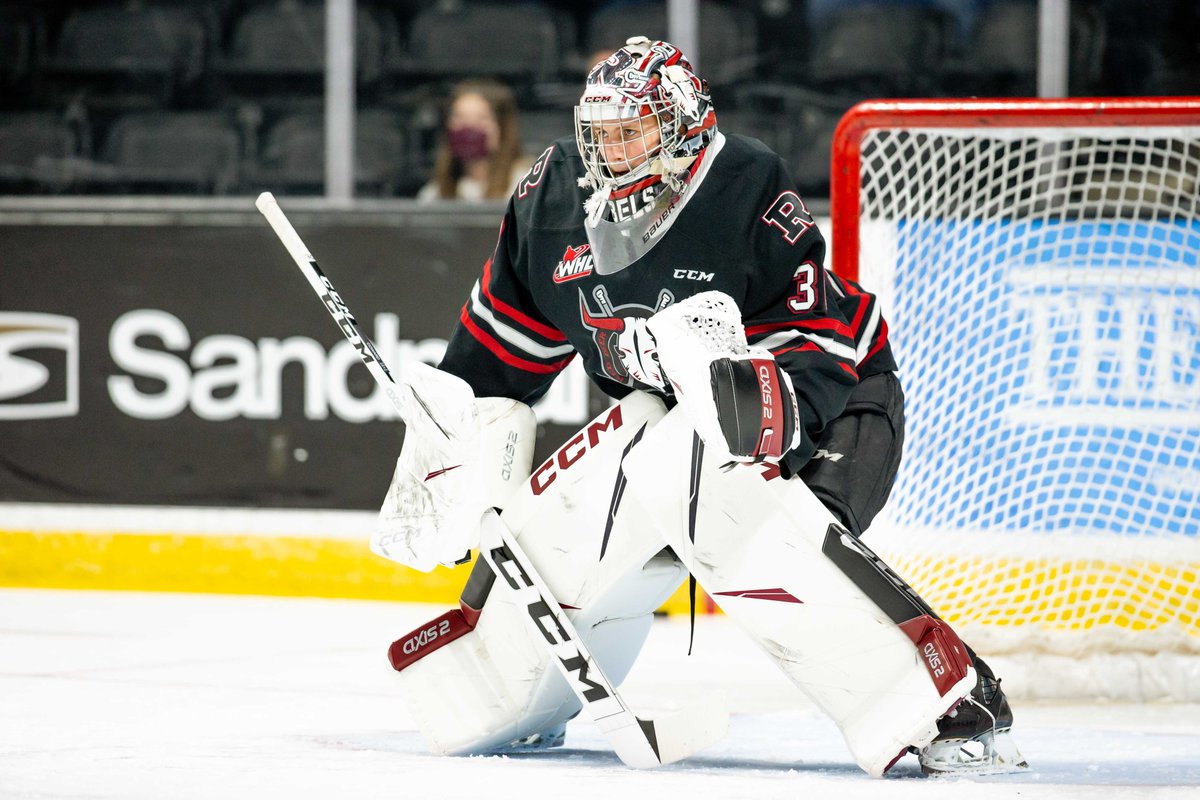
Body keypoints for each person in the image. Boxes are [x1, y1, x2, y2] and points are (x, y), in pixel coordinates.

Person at [379, 37, 1026, 776]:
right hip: (677, 425)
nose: (611, 152)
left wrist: (761, 418)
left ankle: (946, 703)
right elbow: (494, 360)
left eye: (633, 131)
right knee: (607, 487)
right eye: (601, 133)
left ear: (684, 127)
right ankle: (503, 692)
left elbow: (818, 343)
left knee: (736, 514)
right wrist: (453, 456)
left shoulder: (743, 186)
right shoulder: (551, 200)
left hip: (838, 398)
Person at [416, 79, 531, 202]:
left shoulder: (527, 186)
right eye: (459, 118)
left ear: (502, 128)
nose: (469, 128)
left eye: (482, 118)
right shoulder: (433, 194)